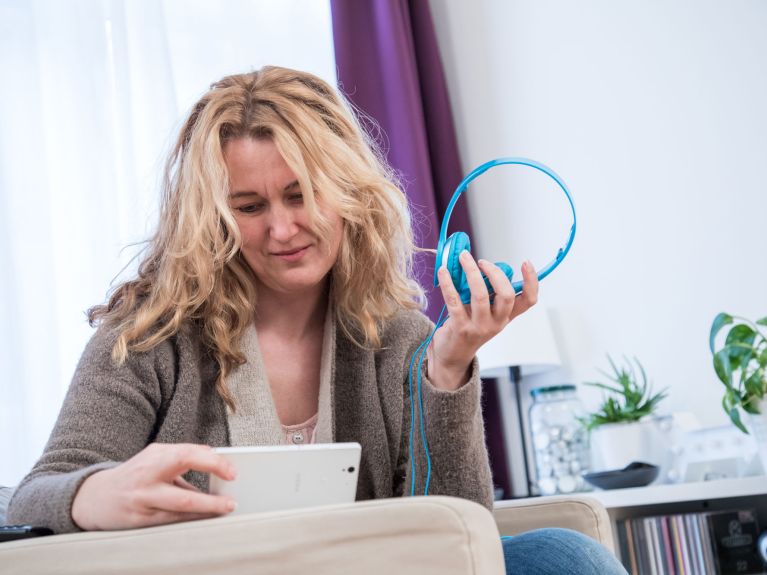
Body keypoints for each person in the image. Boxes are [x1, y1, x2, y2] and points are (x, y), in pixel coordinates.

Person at [7, 66, 626, 574]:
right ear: (214, 217)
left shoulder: (399, 338)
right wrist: (95, 494)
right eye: (249, 207)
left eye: (301, 194)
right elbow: (38, 493)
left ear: (347, 191)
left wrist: (447, 367)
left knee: (562, 555)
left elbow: (461, 537)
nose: (281, 229)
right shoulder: (146, 338)